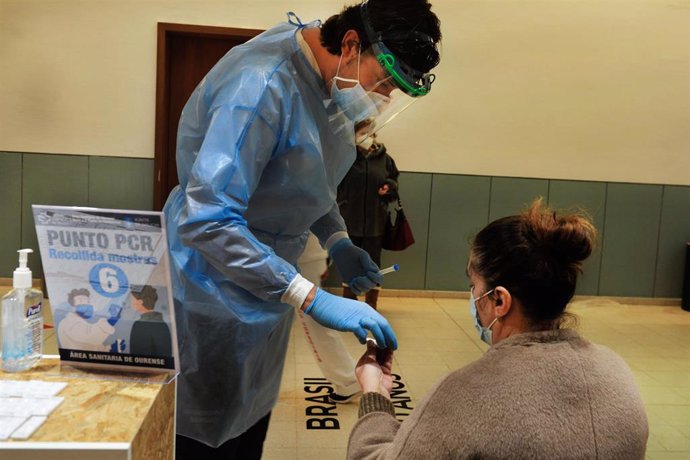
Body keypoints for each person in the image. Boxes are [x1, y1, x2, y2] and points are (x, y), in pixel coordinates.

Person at [163, 0, 442, 457]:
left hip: (263, 290)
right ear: (351, 44)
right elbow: (207, 218)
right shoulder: (259, 88)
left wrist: (337, 239)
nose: (385, 96)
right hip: (208, 288)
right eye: (386, 80)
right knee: (200, 436)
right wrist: (308, 296)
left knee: (247, 426)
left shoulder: (327, 85)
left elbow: (304, 179)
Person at [348, 199, 649, 459]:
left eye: (473, 285)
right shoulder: (616, 371)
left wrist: (376, 393)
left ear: (499, 300)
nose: (471, 296)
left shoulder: (463, 395)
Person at [296, 233, 361, 403]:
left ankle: (349, 380)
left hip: (297, 254)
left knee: (313, 321)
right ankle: (348, 380)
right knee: (313, 319)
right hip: (304, 252)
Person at [338, 129, 399, 309]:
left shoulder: (385, 159)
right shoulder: (346, 157)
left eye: (367, 132)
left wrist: (389, 187)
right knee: (350, 262)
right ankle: (349, 301)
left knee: (373, 263)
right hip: (349, 219)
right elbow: (334, 183)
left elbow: (394, 181)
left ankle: (371, 302)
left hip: (375, 222)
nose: (364, 136)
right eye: (360, 132)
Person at [57, 288, 123, 352]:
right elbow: (90, 337)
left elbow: (93, 348)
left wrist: (111, 349)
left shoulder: (81, 323)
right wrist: (110, 321)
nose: (87, 304)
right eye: (81, 301)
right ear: (72, 307)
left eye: (88, 301)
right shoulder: (68, 322)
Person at [128, 285, 172, 357]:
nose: (131, 302)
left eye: (132, 299)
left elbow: (137, 359)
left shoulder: (140, 325)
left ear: (140, 302)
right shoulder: (163, 324)